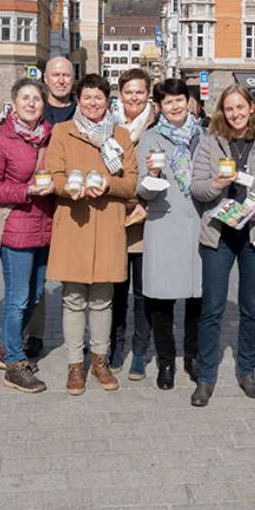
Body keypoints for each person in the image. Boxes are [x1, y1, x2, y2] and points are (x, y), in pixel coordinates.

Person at [190, 85, 255, 406]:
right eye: (229, 109)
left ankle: (247, 371)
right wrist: (215, 184)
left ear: (250, 107)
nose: (235, 114)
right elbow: (197, 188)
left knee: (251, 306)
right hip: (219, 231)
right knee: (213, 307)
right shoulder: (210, 141)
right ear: (222, 110)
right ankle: (205, 377)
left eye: (240, 107)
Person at [43, 73, 138, 395]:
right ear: (78, 101)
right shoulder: (62, 131)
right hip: (74, 221)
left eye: (99, 98)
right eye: (87, 98)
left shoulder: (120, 135)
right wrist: (72, 187)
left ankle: (100, 360)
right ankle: (75, 364)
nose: (93, 103)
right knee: (72, 298)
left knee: (101, 299)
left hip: (108, 224)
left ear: (107, 101)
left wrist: (109, 184)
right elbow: (52, 176)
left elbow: (132, 183)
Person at [0, 78, 55, 393]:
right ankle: (13, 361)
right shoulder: (0, 139)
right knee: (18, 296)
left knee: (36, 295)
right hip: (16, 227)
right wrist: (26, 190)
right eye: (25, 97)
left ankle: (7, 345)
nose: (32, 103)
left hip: (45, 226)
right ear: (14, 103)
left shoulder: (50, 137)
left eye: (36, 98)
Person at [136, 78, 205, 389]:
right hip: (164, 224)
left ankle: (192, 356)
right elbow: (141, 191)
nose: (176, 106)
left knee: (197, 296)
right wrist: (150, 176)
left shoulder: (204, 135)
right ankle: (166, 361)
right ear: (159, 106)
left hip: (198, 223)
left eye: (180, 99)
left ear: (188, 101)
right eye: (169, 102)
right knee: (161, 299)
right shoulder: (150, 139)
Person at [23, 56, 78, 359]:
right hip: (40, 201)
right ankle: (34, 334)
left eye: (65, 75)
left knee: (74, 271)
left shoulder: (83, 109)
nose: (60, 80)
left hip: (73, 200)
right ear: (46, 77)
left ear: (72, 78)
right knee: (36, 273)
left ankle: (75, 332)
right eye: (55, 75)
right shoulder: (34, 108)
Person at [110, 68, 155, 378]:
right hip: (114, 217)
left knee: (142, 290)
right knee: (115, 289)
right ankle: (115, 345)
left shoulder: (157, 125)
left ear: (147, 94)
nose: (135, 97)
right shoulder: (109, 127)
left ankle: (139, 350)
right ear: (120, 95)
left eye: (140, 92)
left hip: (146, 219)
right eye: (129, 92)